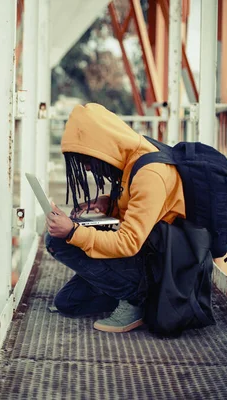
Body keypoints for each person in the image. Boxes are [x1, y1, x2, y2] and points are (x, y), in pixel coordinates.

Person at [45, 103, 185, 333]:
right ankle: (123, 289)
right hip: (147, 254)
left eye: (87, 160)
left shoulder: (150, 173)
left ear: (102, 147)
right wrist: (107, 204)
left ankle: (135, 298)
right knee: (67, 303)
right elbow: (143, 211)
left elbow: (129, 242)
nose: (88, 169)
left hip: (160, 268)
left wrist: (72, 232)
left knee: (59, 240)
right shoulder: (133, 160)